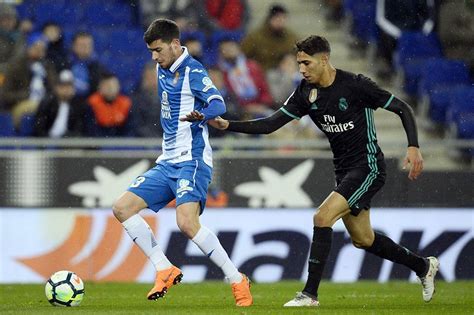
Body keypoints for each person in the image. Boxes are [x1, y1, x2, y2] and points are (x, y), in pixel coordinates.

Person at [201, 35, 439, 307]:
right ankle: (422, 266)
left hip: (368, 166)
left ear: (324, 59)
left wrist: (413, 146)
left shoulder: (356, 85)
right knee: (364, 239)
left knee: (322, 217)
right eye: (299, 63)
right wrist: (227, 125)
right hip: (343, 170)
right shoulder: (305, 92)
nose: (301, 69)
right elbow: (270, 124)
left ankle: (309, 294)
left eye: (306, 63)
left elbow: (402, 107)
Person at [111, 19, 253, 307]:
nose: (154, 56)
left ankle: (236, 279)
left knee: (187, 223)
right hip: (168, 161)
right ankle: (164, 267)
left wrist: (202, 113)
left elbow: (218, 104)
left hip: (192, 159)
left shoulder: (194, 71)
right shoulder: (161, 67)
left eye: (158, 50)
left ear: (175, 44)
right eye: (151, 51)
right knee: (122, 208)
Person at [241, 3, 299, 71]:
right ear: (270, 19)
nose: (281, 21)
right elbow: (243, 56)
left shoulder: (291, 37)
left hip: (284, 73)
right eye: (277, 18)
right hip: (262, 73)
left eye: (283, 18)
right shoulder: (255, 37)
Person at [33, 69, 87, 137]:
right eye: (63, 86)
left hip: (68, 143)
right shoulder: (47, 103)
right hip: (46, 142)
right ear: (56, 88)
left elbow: (79, 128)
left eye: (69, 86)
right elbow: (39, 128)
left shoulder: (78, 105)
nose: (66, 90)